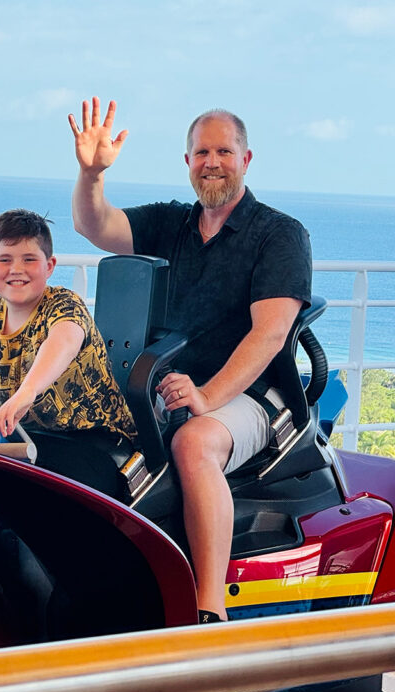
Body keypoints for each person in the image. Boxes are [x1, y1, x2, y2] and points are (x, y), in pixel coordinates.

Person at [68, 97, 311, 623]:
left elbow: (269, 336)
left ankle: (209, 610)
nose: (212, 161)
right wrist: (91, 174)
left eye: (225, 150)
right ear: (187, 162)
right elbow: (96, 225)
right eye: (202, 151)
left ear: (247, 160)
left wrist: (207, 397)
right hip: (164, 383)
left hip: (248, 394)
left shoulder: (279, 235)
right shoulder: (172, 223)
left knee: (194, 442)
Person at [0, 208, 136, 462]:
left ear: (49, 266)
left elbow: (64, 341)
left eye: (29, 259)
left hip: (98, 442)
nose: (16, 269)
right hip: (28, 441)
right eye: (5, 260)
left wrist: (26, 392)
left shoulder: (64, 304)